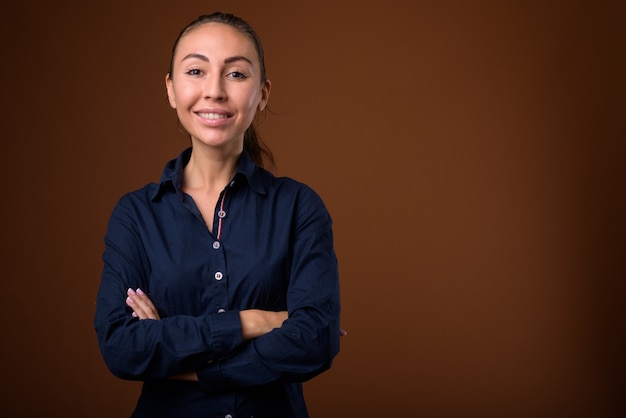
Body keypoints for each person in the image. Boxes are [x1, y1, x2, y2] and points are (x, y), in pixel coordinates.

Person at [94, 12, 342, 418]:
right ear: (171, 90)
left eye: (236, 75)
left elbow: (316, 339)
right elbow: (122, 347)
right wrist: (253, 322)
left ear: (262, 94)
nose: (214, 91)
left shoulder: (299, 207)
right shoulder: (136, 215)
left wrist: (187, 364)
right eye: (196, 70)